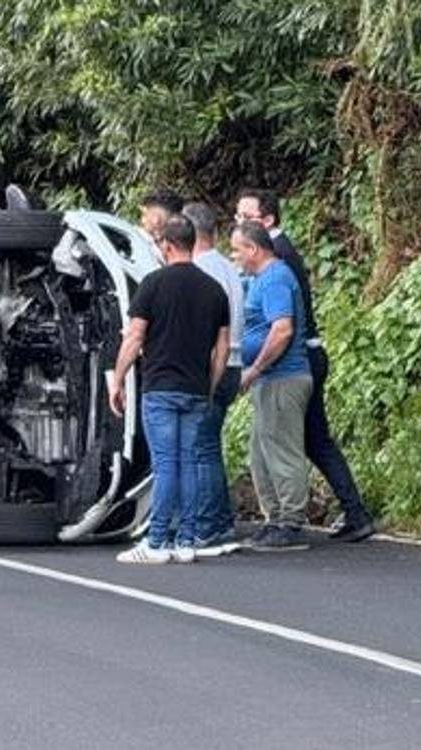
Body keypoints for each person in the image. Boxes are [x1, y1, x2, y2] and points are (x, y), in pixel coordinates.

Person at [236, 189, 375, 542]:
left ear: (266, 223)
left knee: (299, 440)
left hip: (296, 361)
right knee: (308, 439)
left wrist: (255, 367)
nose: (239, 224)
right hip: (290, 361)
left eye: (246, 218)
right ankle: (350, 511)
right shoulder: (269, 260)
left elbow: (284, 326)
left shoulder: (278, 259)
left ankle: (300, 516)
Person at [109, 216, 231, 564]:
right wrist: (210, 385)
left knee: (166, 465)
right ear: (192, 243)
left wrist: (117, 380)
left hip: (160, 387)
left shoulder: (153, 284)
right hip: (195, 388)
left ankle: (158, 540)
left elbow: (134, 337)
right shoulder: (214, 290)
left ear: (166, 245)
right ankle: (187, 539)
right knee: (190, 463)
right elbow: (221, 349)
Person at [232, 221, 313, 551]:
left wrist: (254, 369)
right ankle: (275, 517)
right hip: (268, 380)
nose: (234, 256)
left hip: (283, 377)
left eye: (237, 249)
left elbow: (281, 330)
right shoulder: (258, 280)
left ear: (253, 249)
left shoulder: (277, 278)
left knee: (282, 451)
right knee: (261, 452)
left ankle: (291, 521)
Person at [181, 202, 245, 556]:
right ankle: (221, 521)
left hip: (213, 365)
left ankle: (208, 525)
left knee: (201, 450)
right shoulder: (228, 268)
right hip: (235, 364)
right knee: (210, 447)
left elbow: (206, 329)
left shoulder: (201, 270)